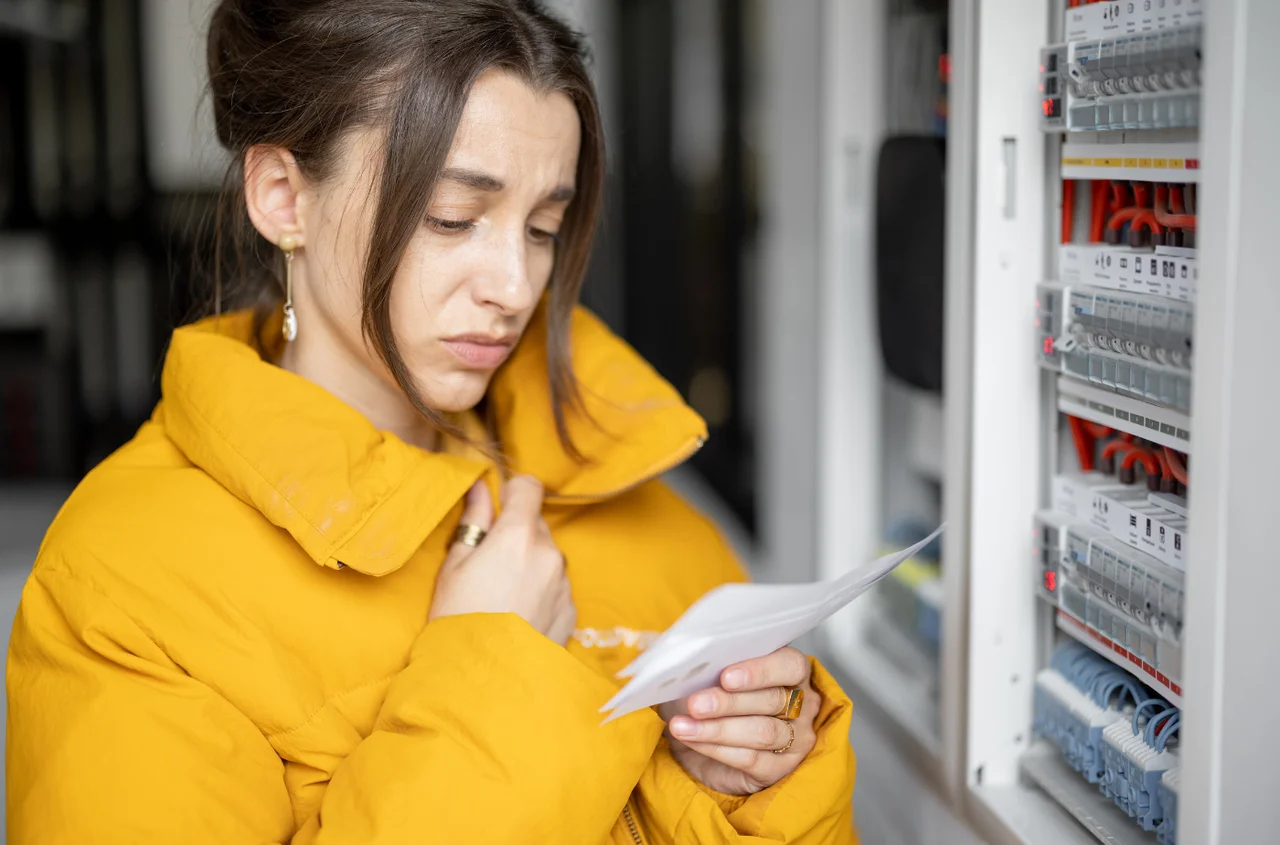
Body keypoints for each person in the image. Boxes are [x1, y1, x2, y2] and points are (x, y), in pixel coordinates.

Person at [6, 2, 858, 842]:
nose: (517, 287)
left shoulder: (630, 488)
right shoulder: (125, 583)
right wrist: (489, 674)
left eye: (543, 227)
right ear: (281, 197)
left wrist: (735, 789)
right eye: (453, 218)